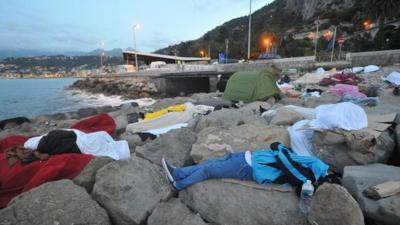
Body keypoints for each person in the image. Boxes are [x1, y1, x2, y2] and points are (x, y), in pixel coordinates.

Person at [162, 142, 339, 194]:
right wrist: (281, 150)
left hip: (249, 166)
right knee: (209, 164)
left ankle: (179, 184)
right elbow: (291, 160)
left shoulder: (311, 175)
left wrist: (279, 148)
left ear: (328, 174)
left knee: (209, 171)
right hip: (248, 158)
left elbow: (288, 165)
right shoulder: (311, 172)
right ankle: (178, 173)